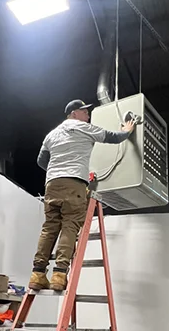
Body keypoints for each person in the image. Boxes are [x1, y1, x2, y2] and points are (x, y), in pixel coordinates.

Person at [30, 99, 135, 292]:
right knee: (70, 225)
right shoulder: (84, 128)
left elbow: (41, 161)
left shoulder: (51, 135)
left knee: (50, 227)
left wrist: (58, 171)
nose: (87, 115)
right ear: (74, 114)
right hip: (74, 184)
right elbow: (113, 138)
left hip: (52, 184)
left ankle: (37, 274)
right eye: (84, 112)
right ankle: (59, 275)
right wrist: (128, 130)